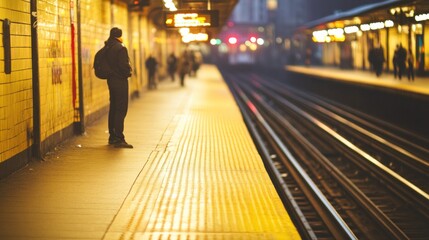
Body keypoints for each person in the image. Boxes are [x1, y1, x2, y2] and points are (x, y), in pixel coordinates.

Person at [105, 27, 133, 148]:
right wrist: (128, 72)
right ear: (120, 35)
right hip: (120, 81)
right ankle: (119, 138)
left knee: (113, 108)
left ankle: (112, 136)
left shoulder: (107, 47)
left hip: (111, 80)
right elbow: (123, 66)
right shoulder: (120, 48)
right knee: (121, 109)